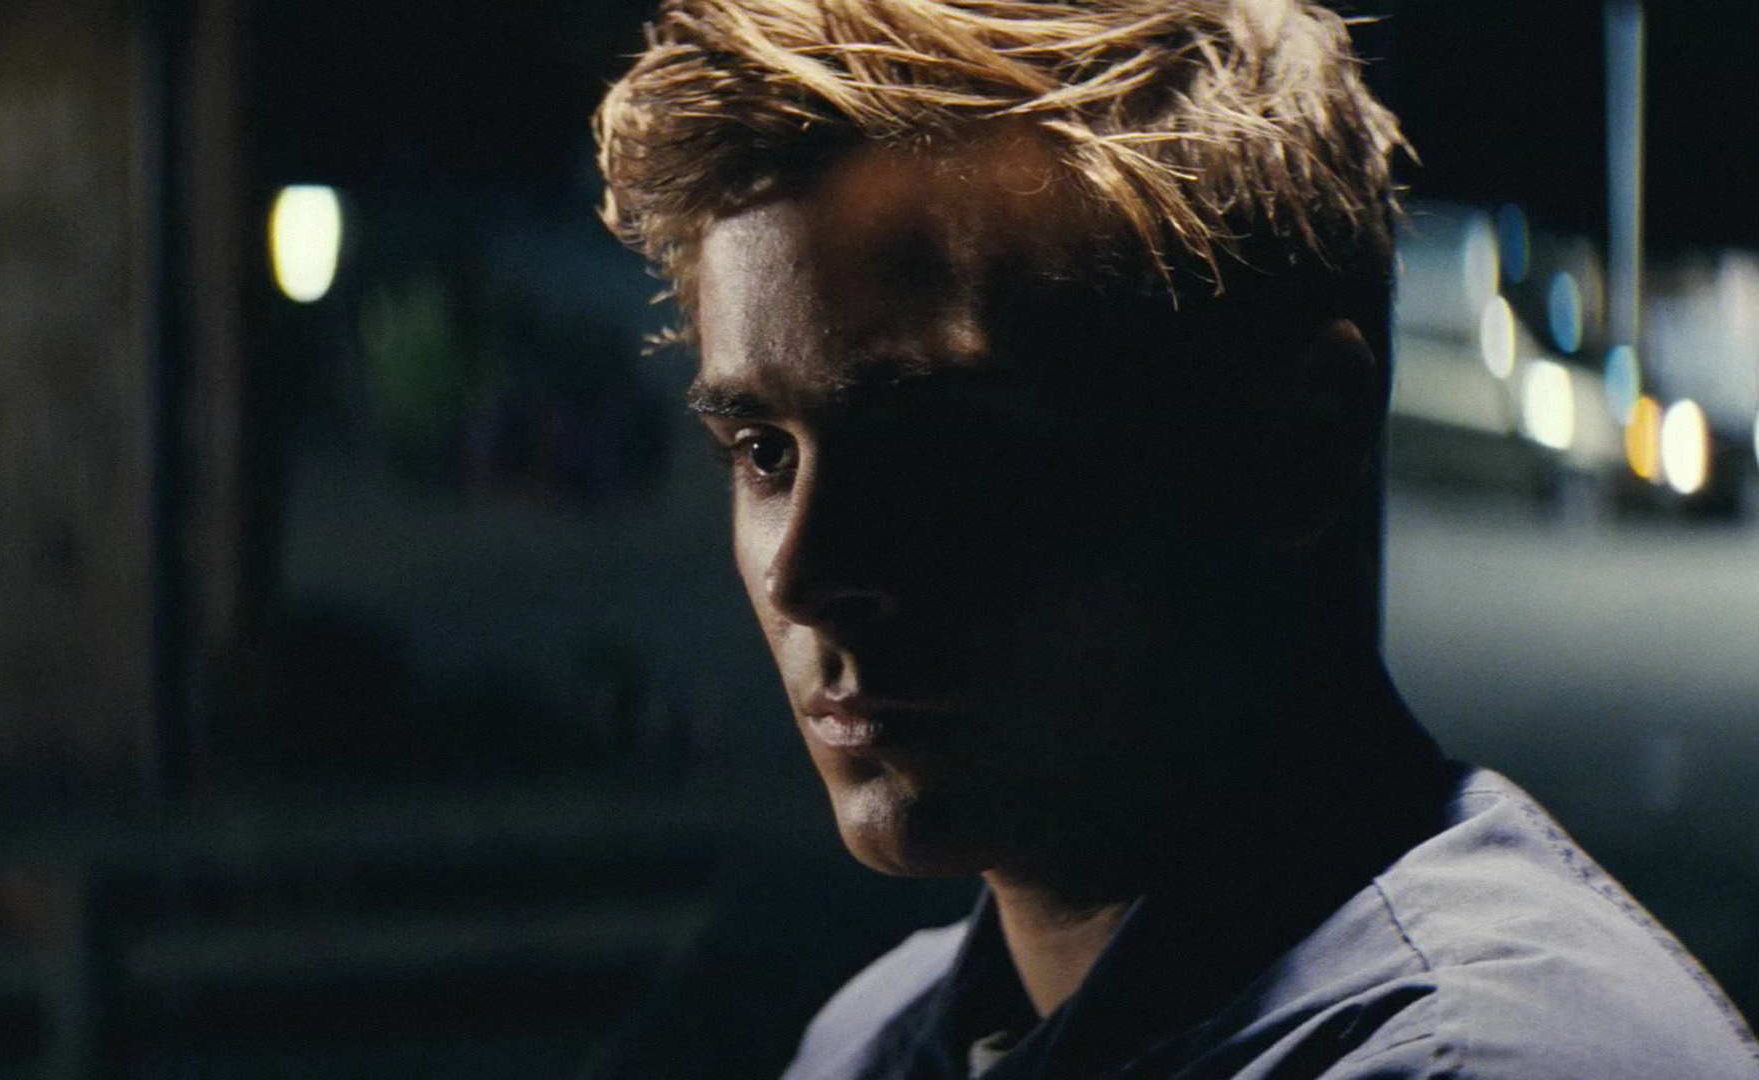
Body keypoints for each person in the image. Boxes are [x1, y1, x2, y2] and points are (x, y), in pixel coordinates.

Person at [592, 1, 1759, 1077]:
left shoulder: (1490, 1060)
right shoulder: (875, 1041)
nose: (802, 574)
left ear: (1301, 445)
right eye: (763, 451)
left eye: (937, 447)